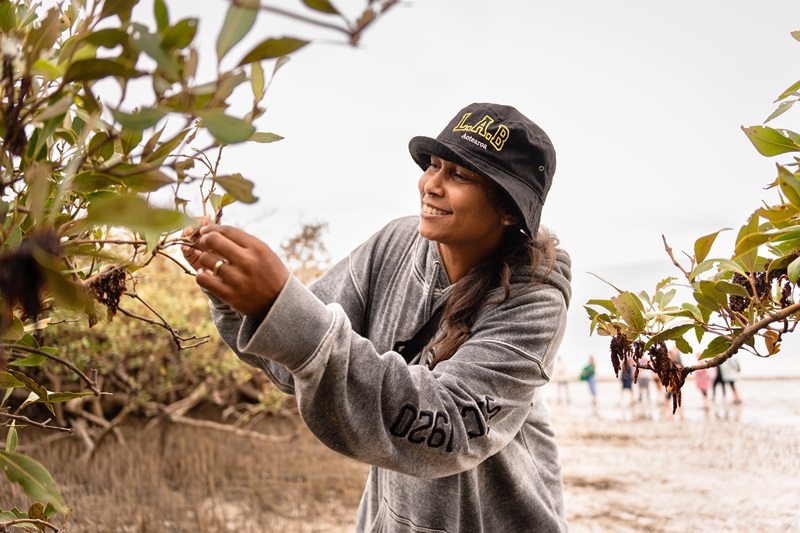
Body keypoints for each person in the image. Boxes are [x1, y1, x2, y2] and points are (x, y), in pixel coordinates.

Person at [182, 103, 570, 532]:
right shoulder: (394, 245)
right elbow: (298, 366)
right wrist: (244, 298)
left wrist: (283, 305)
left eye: (459, 175)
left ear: (510, 210)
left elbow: (446, 429)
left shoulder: (534, 302)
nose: (431, 185)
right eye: (434, 165)